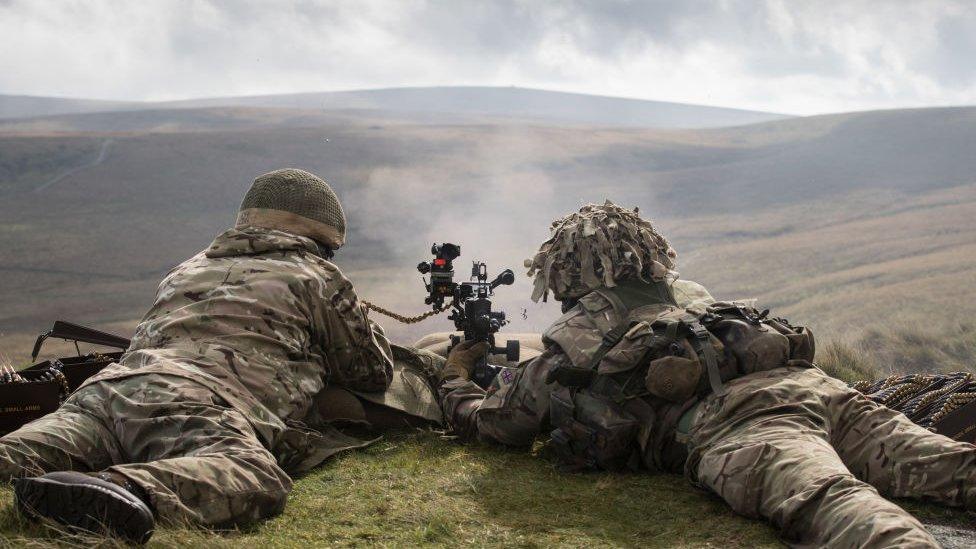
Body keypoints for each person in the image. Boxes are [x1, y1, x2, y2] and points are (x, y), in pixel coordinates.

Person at [439, 201, 976, 548]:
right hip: (819, 389)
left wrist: (457, 377)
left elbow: (499, 425)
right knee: (955, 467)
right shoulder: (694, 297)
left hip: (748, 429)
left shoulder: (572, 341)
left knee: (839, 507)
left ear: (564, 271)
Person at [1, 168, 394, 543]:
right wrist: (359, 321)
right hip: (201, 404)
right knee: (254, 475)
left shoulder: (188, 267)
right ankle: (117, 488)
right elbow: (370, 372)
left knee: (19, 453)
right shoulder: (319, 277)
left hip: (105, 395)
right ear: (324, 240)